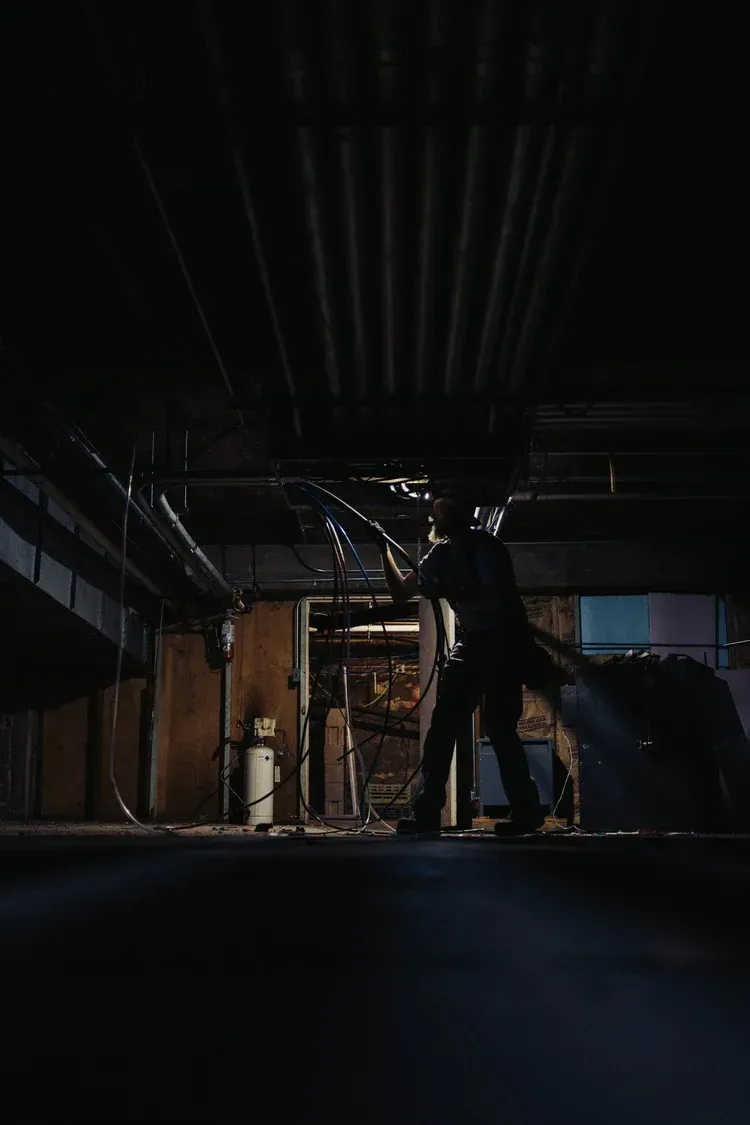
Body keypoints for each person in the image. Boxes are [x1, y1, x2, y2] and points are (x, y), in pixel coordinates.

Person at [371, 496, 544, 836]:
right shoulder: (440, 553)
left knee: (499, 727)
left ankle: (526, 811)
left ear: (460, 512)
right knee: (443, 726)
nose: (435, 512)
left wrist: (443, 587)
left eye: (443, 506)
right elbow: (401, 594)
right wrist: (383, 549)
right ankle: (426, 815)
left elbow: (494, 599)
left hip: (503, 642)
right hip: (474, 642)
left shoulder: (489, 547)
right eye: (436, 506)